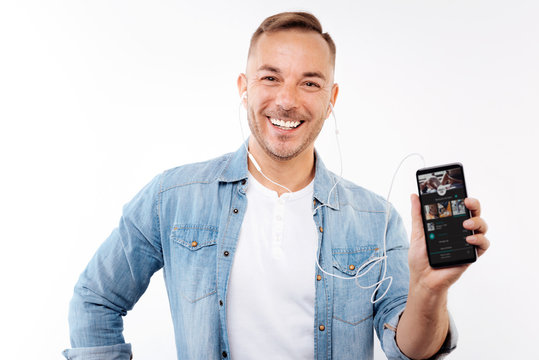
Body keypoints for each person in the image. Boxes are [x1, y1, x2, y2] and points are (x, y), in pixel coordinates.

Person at [63, 12, 490, 360]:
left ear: (331, 98)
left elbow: (409, 349)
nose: (287, 99)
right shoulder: (172, 197)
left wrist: (428, 290)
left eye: (310, 82)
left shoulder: (376, 219)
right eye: (270, 77)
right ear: (243, 88)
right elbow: (95, 299)